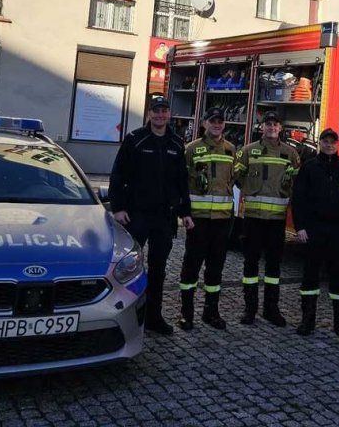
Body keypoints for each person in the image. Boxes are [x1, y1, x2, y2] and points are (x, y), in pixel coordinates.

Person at [109, 95, 192, 335]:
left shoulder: (176, 144)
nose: (160, 115)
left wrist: (184, 212)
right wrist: (118, 208)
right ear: (149, 114)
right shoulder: (135, 140)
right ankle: (127, 314)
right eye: (156, 111)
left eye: (164, 111)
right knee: (129, 266)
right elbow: (118, 175)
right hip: (136, 215)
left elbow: (181, 182)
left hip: (164, 218)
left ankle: (154, 317)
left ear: (169, 115)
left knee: (159, 268)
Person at [291, 128, 339, 341]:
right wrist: (300, 227)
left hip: (338, 231)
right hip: (314, 229)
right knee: (310, 277)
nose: (329, 145)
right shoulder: (309, 168)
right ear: (320, 143)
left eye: (333, 142)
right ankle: (307, 321)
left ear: (337, 145)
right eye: (325, 141)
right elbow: (298, 200)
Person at [233, 111, 300, 327]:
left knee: (274, 266)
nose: (271, 127)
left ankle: (271, 309)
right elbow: (237, 177)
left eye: (275, 124)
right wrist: (251, 189)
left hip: (276, 220)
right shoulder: (248, 151)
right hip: (253, 218)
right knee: (250, 264)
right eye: (267, 124)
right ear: (262, 127)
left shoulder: (290, 153)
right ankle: (249, 308)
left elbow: (296, 181)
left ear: (281, 128)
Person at [177, 107, 236, 331]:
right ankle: (186, 314)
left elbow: (234, 181)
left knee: (215, 268)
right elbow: (181, 184)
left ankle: (211, 313)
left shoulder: (231, 149)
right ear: (204, 123)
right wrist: (184, 213)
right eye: (212, 121)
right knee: (191, 267)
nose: (217, 125)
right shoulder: (191, 149)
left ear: (224, 125)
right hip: (198, 220)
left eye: (220, 122)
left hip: (222, 220)